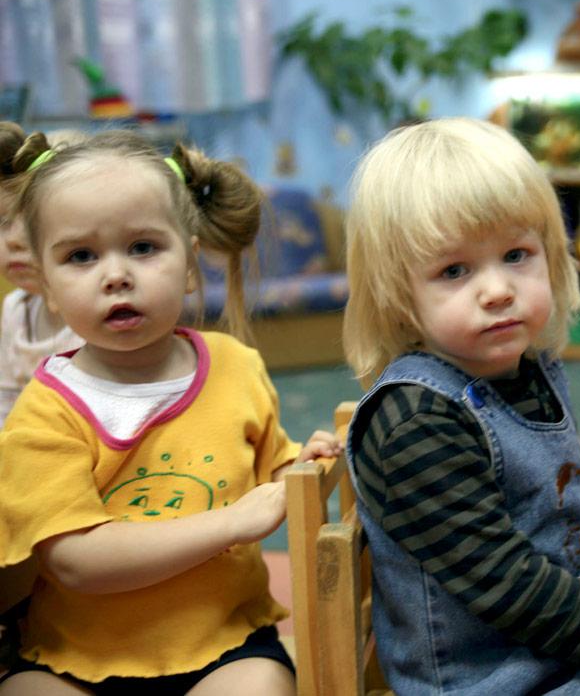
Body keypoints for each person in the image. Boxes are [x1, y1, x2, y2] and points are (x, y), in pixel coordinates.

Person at [342, 117, 580, 695]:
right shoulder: (418, 425)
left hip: (569, 641)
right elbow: (515, 591)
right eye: (454, 270)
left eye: (517, 254)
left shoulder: (526, 370)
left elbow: (573, 513)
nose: (497, 289)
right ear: (398, 295)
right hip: (503, 677)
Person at [0, 130, 340, 695]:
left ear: (189, 262)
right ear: (47, 286)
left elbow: (272, 479)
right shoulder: (43, 411)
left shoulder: (237, 366)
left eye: (143, 247)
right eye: (80, 256)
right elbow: (78, 562)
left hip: (226, 644)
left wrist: (304, 467)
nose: (116, 274)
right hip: (73, 656)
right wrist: (232, 522)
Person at [0, 123, 83, 428]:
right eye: (2, 222)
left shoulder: (95, 313)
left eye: (35, 221)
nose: (15, 240)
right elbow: (6, 400)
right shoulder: (15, 309)